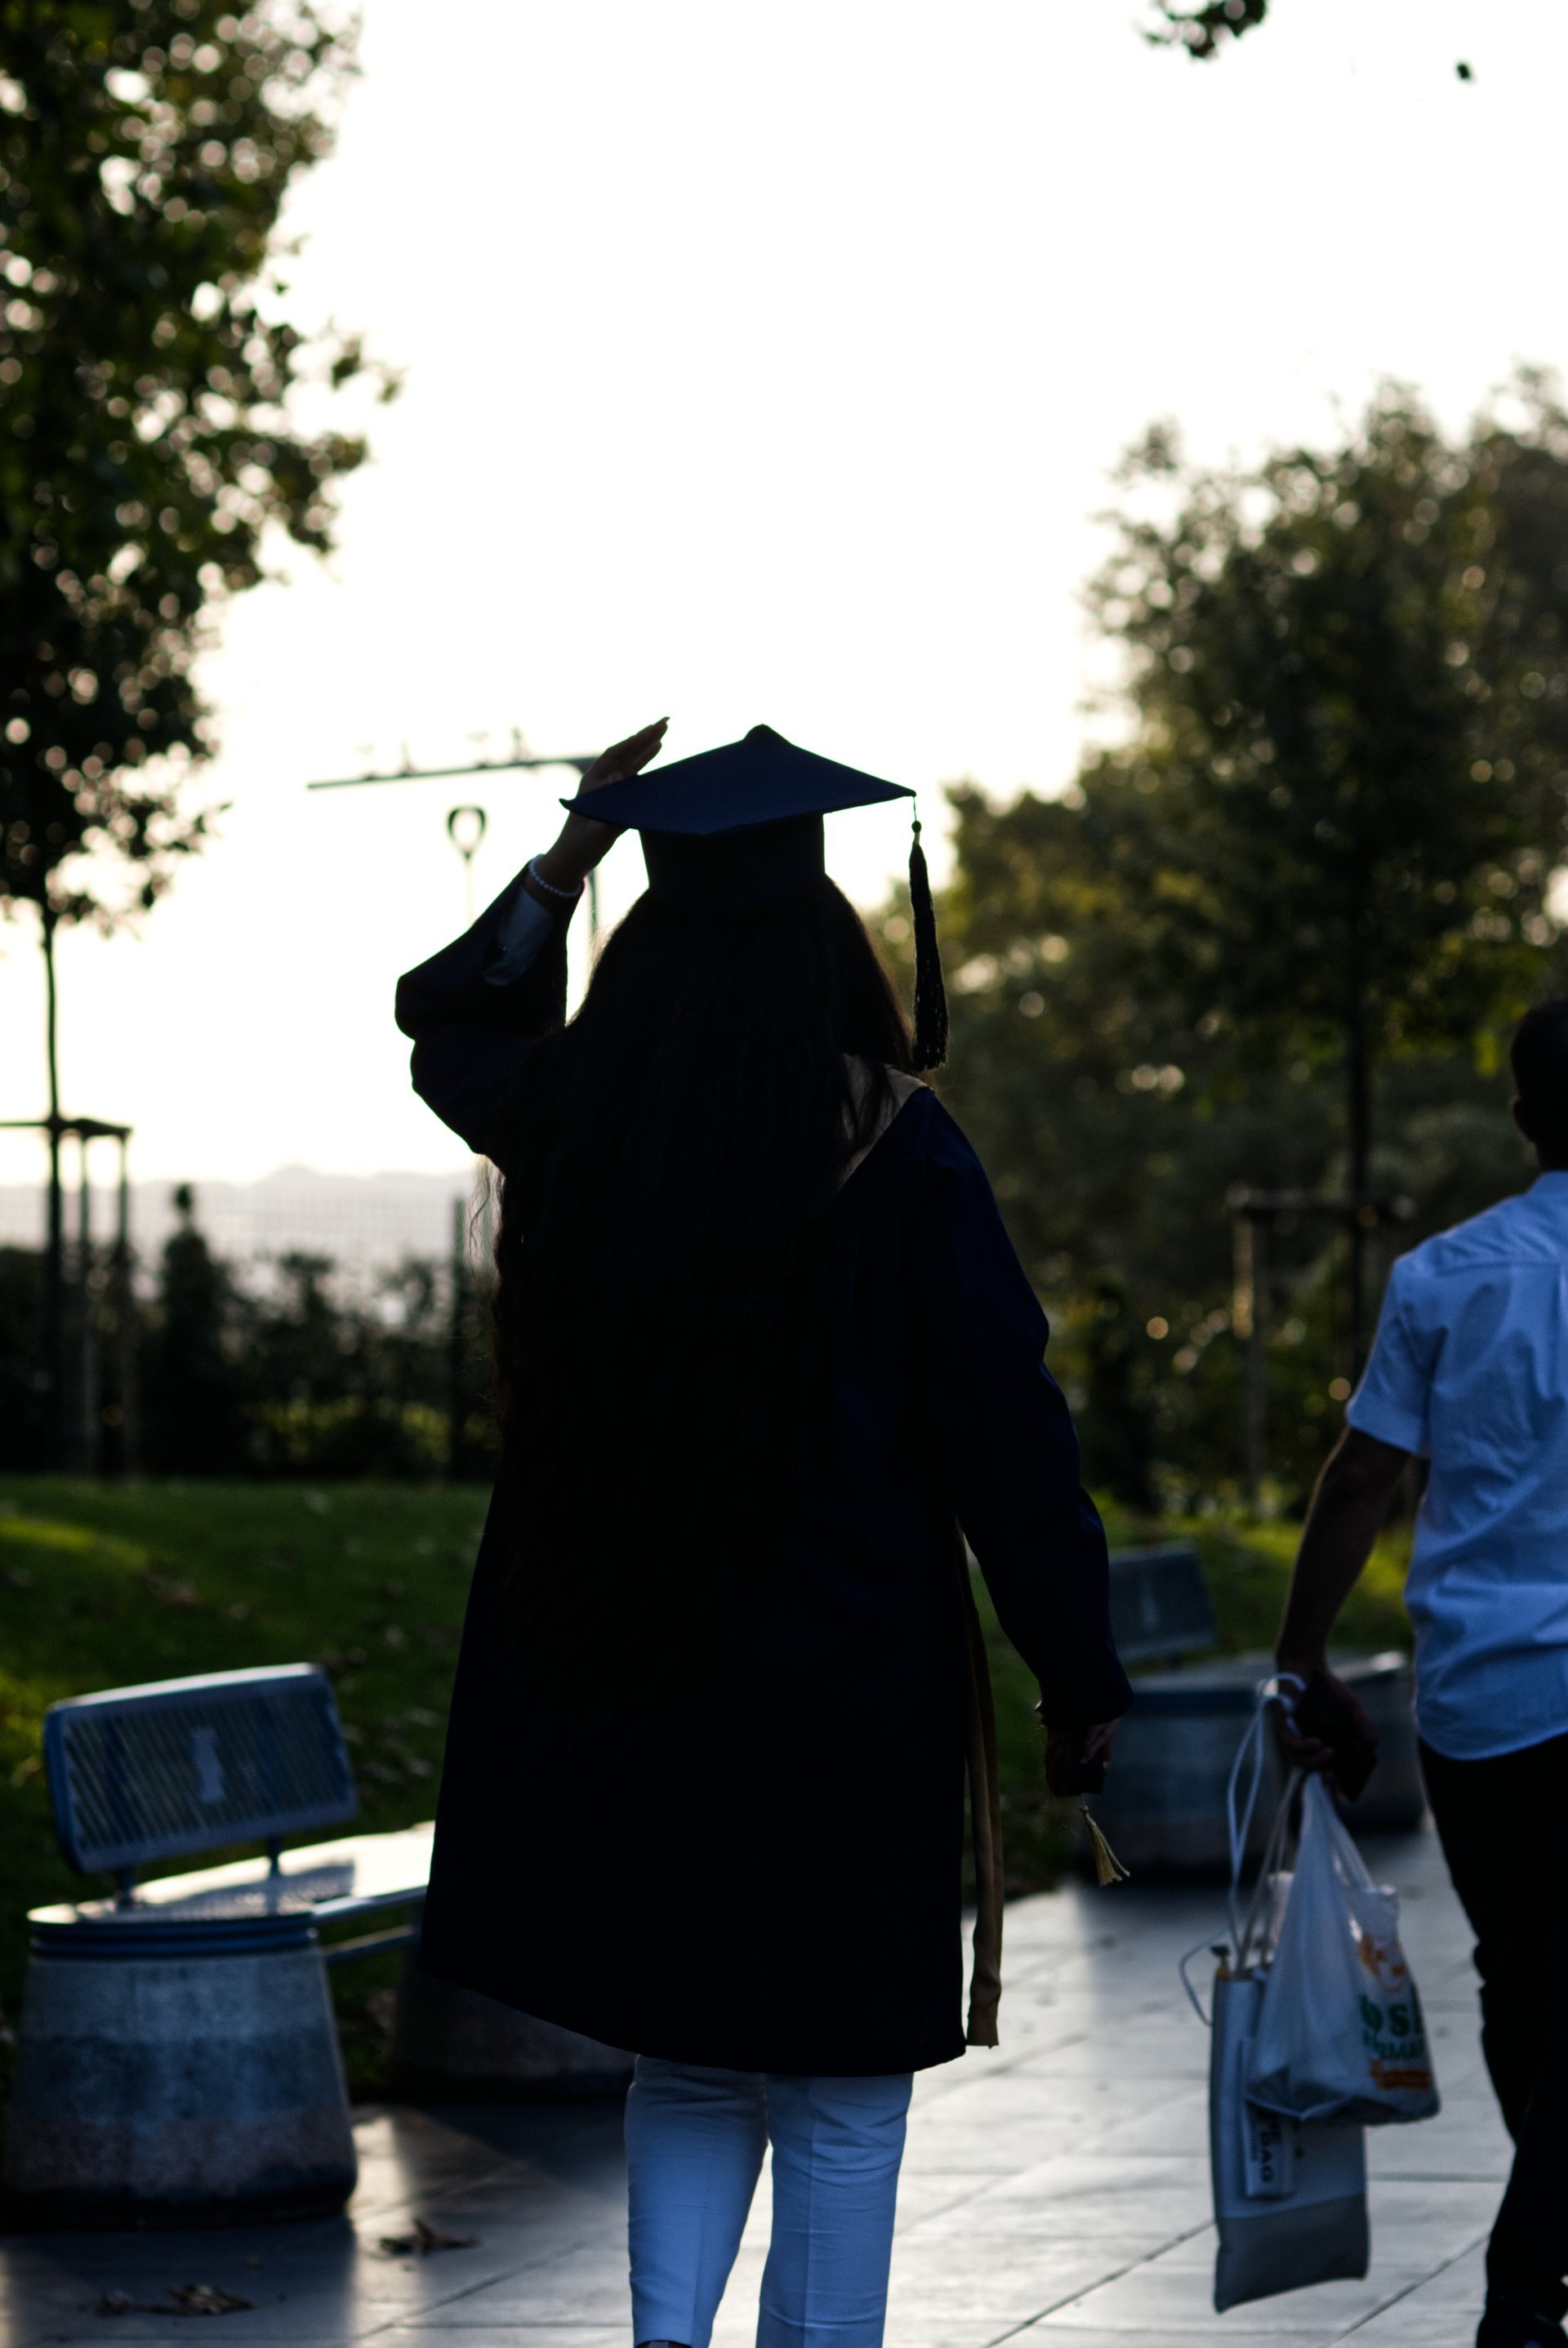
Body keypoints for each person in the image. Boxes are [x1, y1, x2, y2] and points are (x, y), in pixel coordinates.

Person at [394, 720, 1132, 2348]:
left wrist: (576, 849)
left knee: (696, 2047)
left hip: (636, 1657)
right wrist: (1077, 1667)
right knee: (846, 2083)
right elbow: (1008, 1435)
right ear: (829, 940)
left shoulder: (582, 1121)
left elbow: (445, 1016)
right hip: (848, 1679)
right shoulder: (902, 1146)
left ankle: (670, 2343)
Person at [1274, 996, 1568, 2348]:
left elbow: (1361, 1480)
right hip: (1497, 1705)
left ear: (1523, 1117)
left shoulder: (1450, 1275)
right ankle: (1527, 2279)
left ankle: (1527, 2276)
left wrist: (1303, 1654)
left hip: (1494, 1705)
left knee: (1526, 1976)